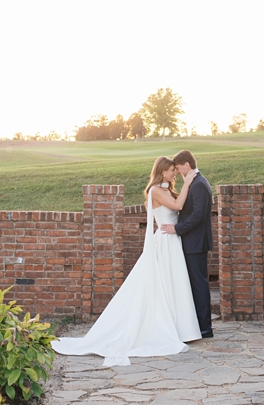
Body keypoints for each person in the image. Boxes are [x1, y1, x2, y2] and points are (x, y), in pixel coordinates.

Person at [51, 156, 202, 366]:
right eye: (170, 171)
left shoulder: (165, 188)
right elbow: (177, 204)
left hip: (172, 240)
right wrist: (187, 183)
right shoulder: (156, 191)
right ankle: (168, 327)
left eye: (174, 171)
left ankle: (181, 327)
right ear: (161, 172)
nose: (174, 173)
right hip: (166, 241)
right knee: (165, 283)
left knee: (173, 283)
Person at [158, 150, 213, 338]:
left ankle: (205, 327)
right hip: (192, 241)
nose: (178, 173)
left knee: (199, 284)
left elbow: (198, 216)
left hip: (196, 242)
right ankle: (196, 325)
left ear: (187, 166)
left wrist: (177, 229)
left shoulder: (198, 184)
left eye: (179, 169)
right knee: (194, 284)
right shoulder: (196, 183)